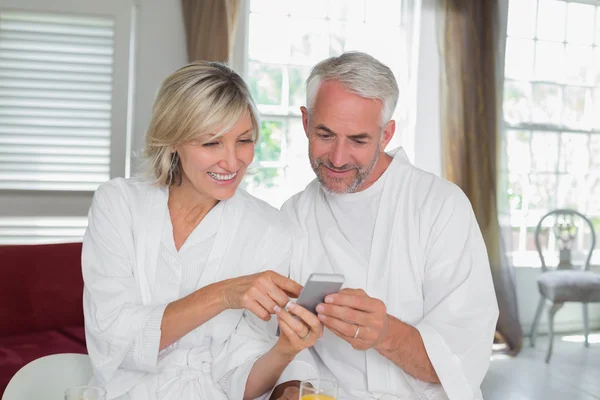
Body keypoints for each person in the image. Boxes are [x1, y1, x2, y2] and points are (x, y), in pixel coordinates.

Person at [82, 61, 322, 400]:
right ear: (173, 140)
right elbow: (116, 342)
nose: (232, 161)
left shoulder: (270, 229)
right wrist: (222, 295)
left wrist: (285, 349)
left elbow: (240, 381)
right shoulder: (118, 205)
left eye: (244, 140)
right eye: (211, 143)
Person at [274, 52, 499, 400]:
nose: (337, 158)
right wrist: (290, 388)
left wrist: (385, 334)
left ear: (386, 134)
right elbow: (280, 339)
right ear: (305, 123)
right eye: (325, 134)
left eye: (358, 140)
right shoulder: (294, 216)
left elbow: (464, 357)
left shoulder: (440, 206)